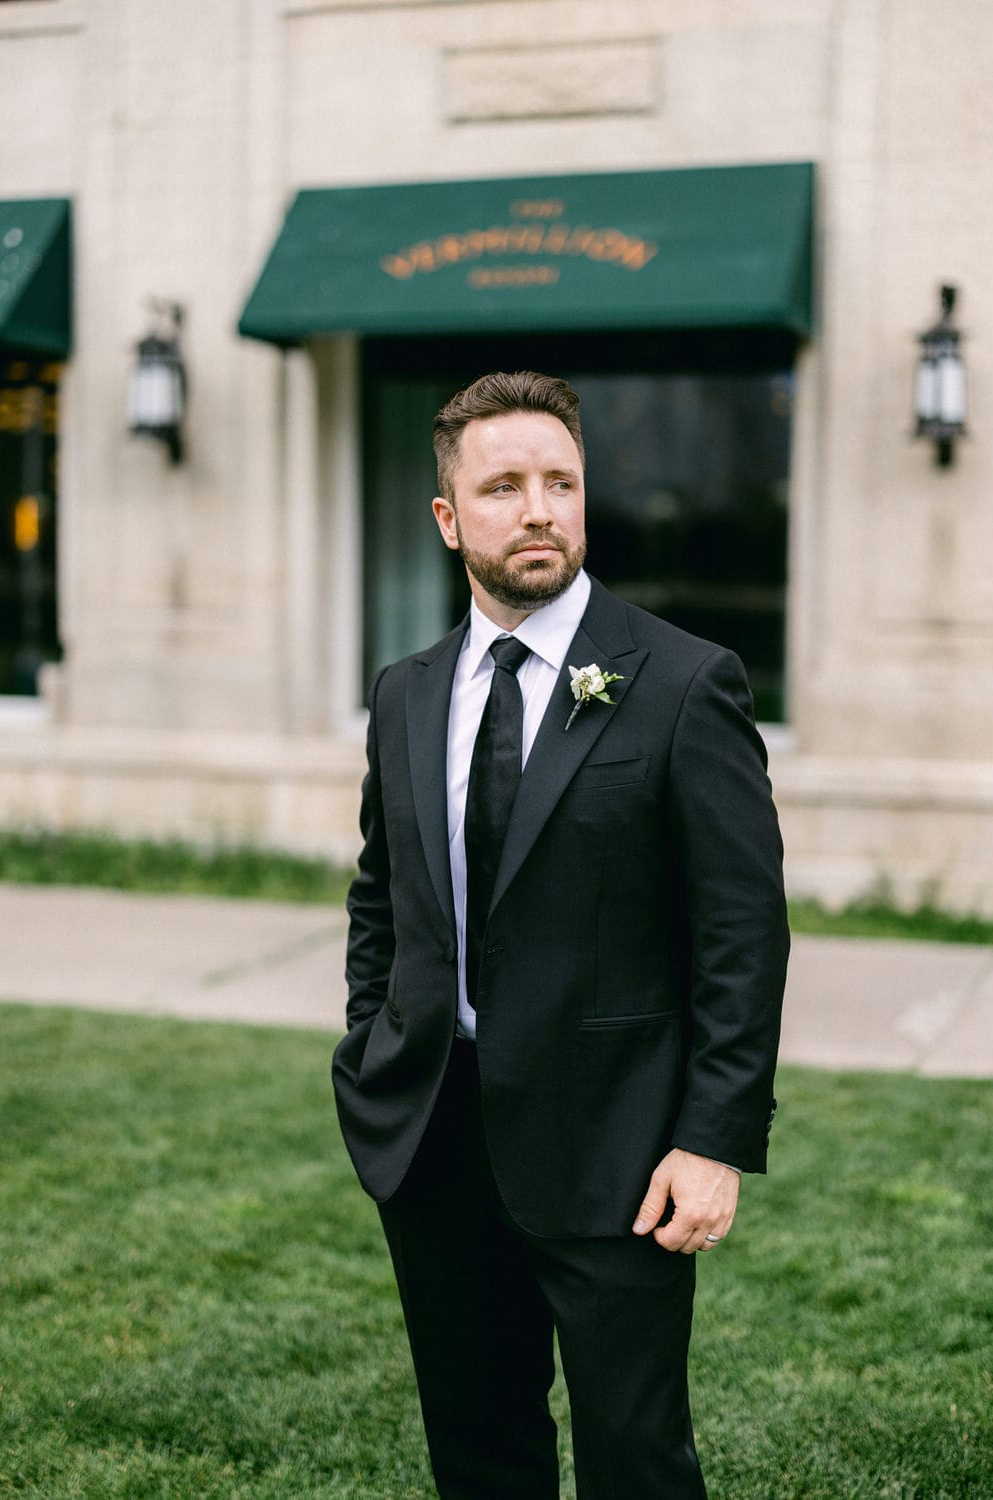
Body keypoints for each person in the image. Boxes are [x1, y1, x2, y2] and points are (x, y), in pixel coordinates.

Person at [333, 370, 789, 1499]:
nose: (537, 509)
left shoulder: (684, 683)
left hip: (620, 1150)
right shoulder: (404, 692)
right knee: (478, 1454)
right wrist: (371, 1053)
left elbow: (742, 932)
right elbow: (382, 901)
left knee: (635, 1461)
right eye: (501, 487)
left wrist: (713, 1137)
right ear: (447, 519)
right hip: (434, 1139)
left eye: (559, 483)